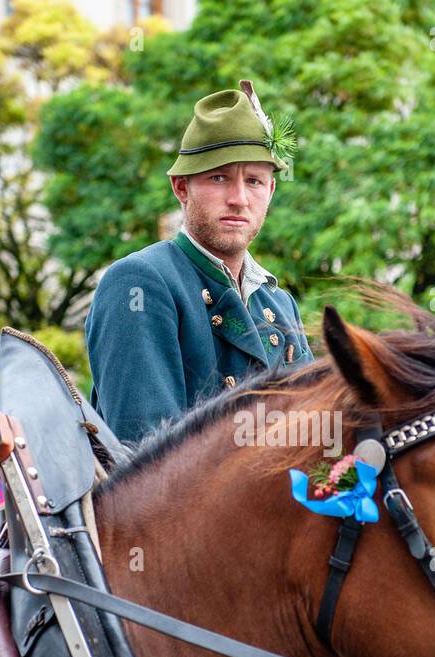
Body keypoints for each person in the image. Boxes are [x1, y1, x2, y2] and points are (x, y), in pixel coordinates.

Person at [85, 81, 312, 444]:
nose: (239, 199)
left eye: (253, 180)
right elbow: (145, 459)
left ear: (270, 191)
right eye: (219, 177)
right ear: (181, 187)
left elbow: (311, 438)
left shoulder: (279, 304)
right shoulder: (139, 283)